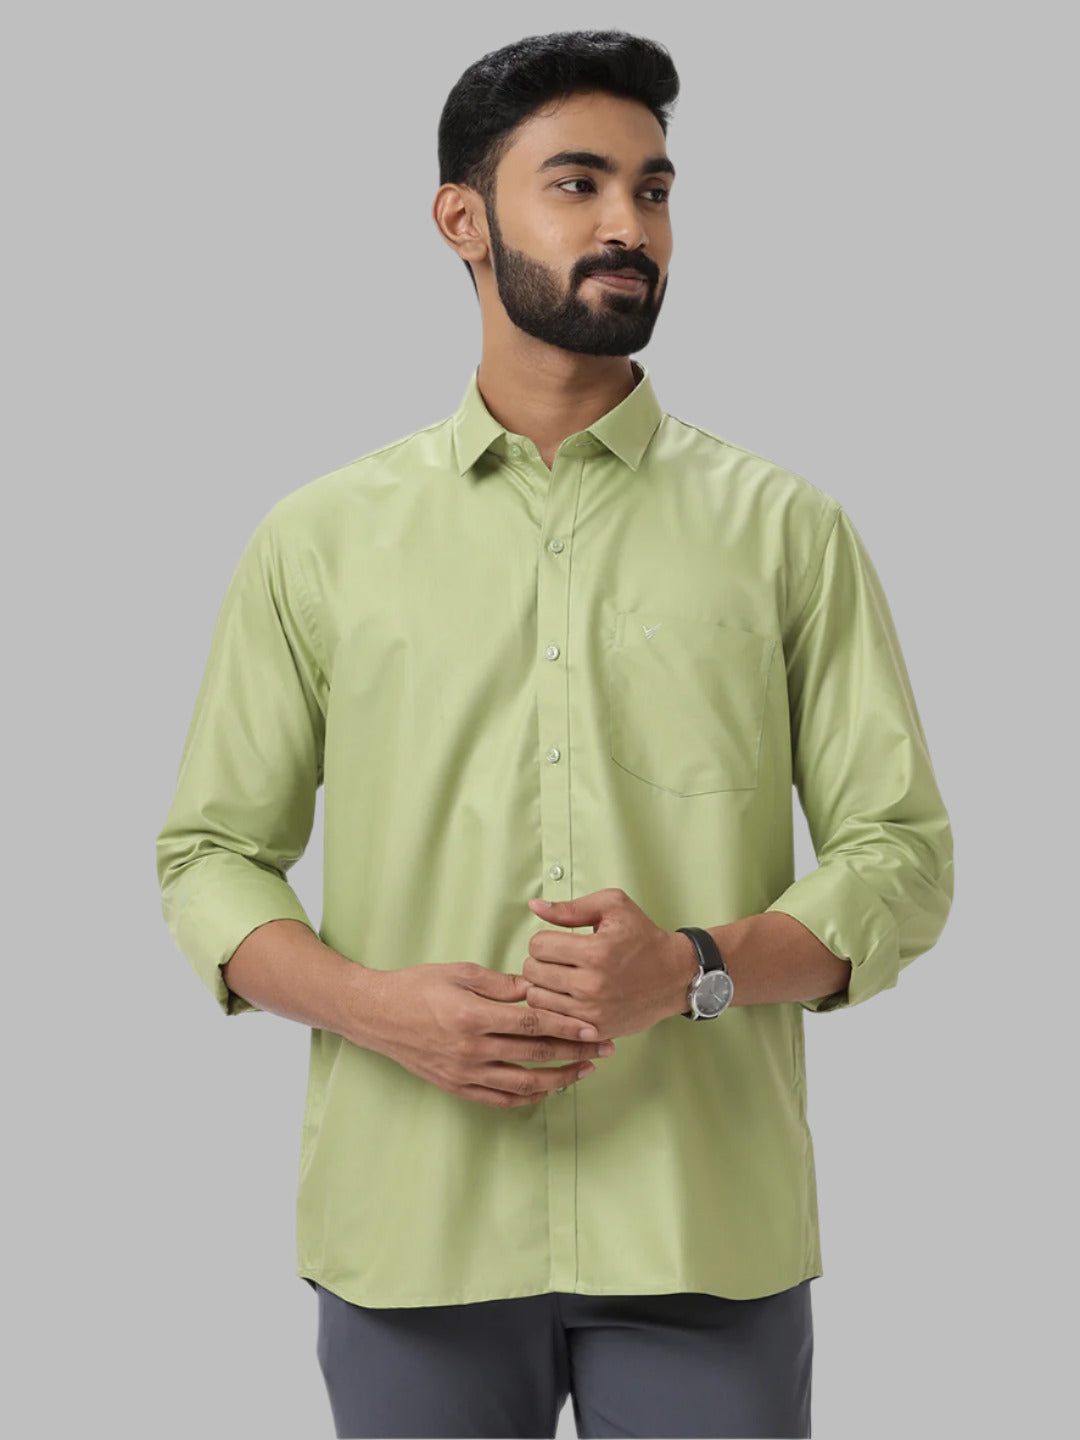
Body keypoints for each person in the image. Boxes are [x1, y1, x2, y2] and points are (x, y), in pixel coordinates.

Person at [155, 28, 954, 1440]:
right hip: (414, 1229)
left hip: (702, 1227)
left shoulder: (786, 531)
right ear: (461, 219)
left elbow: (901, 856)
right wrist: (376, 1009)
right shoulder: (320, 540)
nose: (627, 224)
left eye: (653, 189)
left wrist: (693, 968)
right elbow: (211, 856)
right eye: (577, 184)